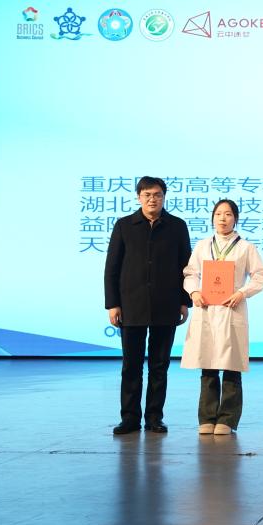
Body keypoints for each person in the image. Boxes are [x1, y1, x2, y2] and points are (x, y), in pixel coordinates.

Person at [104, 176, 191, 435]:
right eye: (147, 195)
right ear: (139, 197)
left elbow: (186, 267)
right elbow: (112, 268)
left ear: (164, 197)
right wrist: (113, 304)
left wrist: (184, 301)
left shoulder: (177, 226)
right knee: (131, 366)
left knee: (159, 366)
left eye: (157, 194)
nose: (152, 199)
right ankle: (129, 418)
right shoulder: (124, 226)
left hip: (167, 304)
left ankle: (155, 417)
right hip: (131, 305)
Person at [181, 199, 263, 435]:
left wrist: (242, 292)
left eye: (228, 214)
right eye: (218, 214)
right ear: (212, 218)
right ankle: (207, 417)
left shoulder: (246, 247)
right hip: (207, 309)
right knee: (208, 364)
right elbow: (190, 273)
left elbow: (259, 276)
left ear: (235, 218)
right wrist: (194, 292)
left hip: (232, 309)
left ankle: (227, 419)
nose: (223, 218)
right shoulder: (203, 245)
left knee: (231, 365)